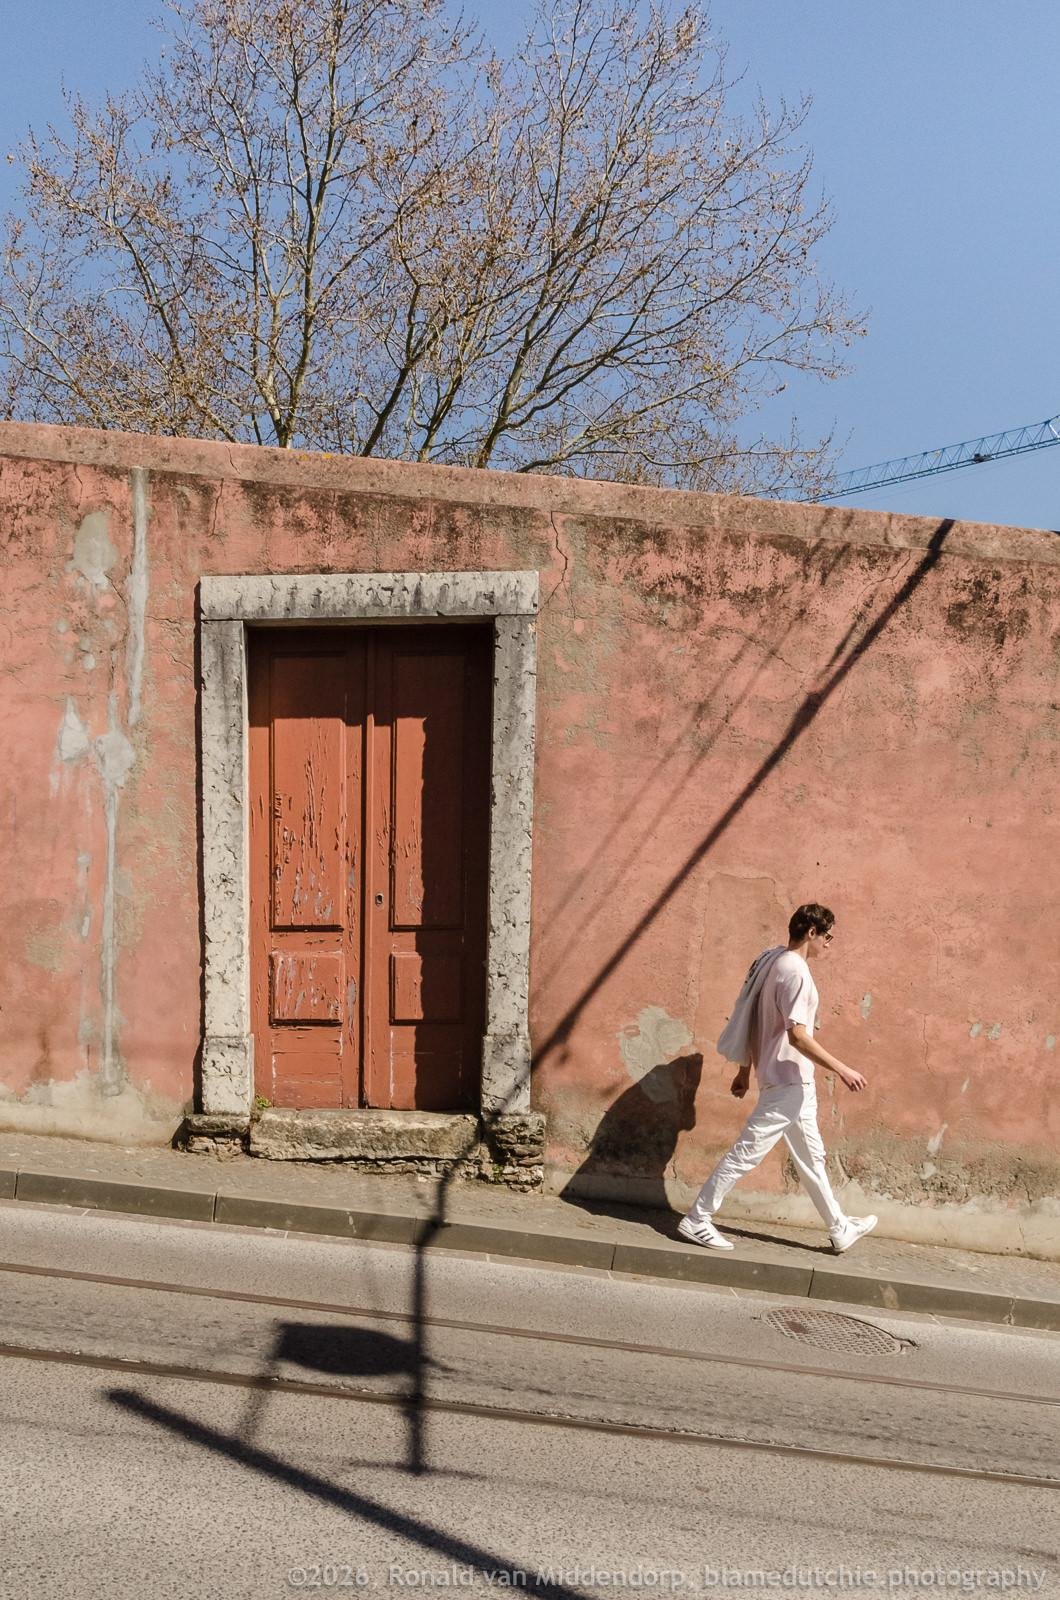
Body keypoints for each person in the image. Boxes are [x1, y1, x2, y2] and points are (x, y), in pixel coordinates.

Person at [678, 903, 877, 1254]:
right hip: (787, 1081)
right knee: (748, 1152)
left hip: (788, 1079)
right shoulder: (796, 971)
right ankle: (698, 1218)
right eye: (828, 936)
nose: (830, 944)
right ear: (812, 932)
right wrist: (842, 1069)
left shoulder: (771, 959)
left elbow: (753, 1015)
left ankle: (839, 1227)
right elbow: (797, 1035)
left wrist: (744, 1069)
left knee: (812, 1158)